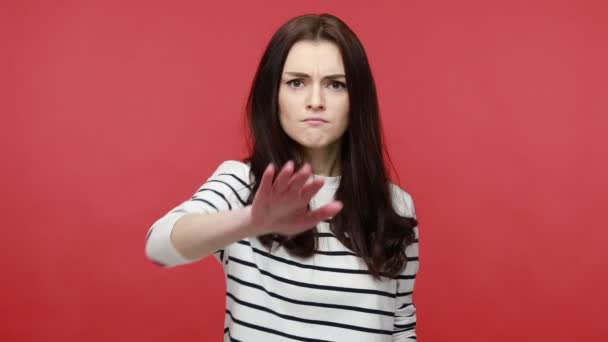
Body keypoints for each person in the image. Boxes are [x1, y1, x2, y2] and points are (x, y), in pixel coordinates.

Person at [145, 13, 420, 342]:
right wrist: (251, 221)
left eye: (335, 84)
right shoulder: (243, 185)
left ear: (357, 99)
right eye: (297, 83)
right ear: (272, 96)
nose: (315, 102)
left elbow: (401, 326)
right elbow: (159, 246)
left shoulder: (396, 205)